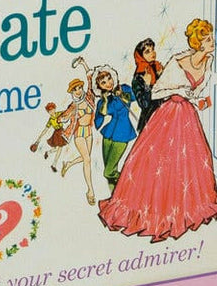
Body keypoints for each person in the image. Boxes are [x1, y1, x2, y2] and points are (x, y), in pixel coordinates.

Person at [98, 19, 217, 242]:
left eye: (210, 38)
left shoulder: (209, 61)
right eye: (207, 39)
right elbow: (158, 92)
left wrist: (198, 100)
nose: (211, 42)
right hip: (168, 114)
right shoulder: (177, 61)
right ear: (198, 43)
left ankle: (187, 208)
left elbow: (195, 92)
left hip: (188, 115)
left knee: (194, 161)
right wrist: (183, 93)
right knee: (159, 165)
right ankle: (157, 214)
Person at [91, 65, 137, 190]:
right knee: (110, 171)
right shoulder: (103, 101)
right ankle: (115, 197)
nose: (108, 83)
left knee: (108, 171)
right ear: (99, 86)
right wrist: (105, 101)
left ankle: (130, 182)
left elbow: (133, 97)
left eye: (109, 78)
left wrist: (121, 94)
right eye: (103, 82)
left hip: (123, 132)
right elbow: (101, 115)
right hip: (108, 133)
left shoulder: (124, 88)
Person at [59, 63, 97, 205]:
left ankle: (69, 163)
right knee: (87, 160)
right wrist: (62, 118)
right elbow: (62, 117)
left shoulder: (89, 97)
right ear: (71, 92)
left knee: (86, 158)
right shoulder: (73, 106)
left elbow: (90, 79)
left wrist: (83, 64)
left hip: (89, 132)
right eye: (75, 89)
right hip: (79, 134)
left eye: (80, 87)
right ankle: (90, 191)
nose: (78, 91)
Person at [131, 38, 164, 132]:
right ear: (140, 56)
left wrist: (161, 76)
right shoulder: (138, 77)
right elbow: (144, 104)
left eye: (153, 49)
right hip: (150, 119)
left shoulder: (157, 68)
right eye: (147, 51)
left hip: (163, 114)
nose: (152, 53)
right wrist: (147, 86)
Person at [29, 102, 68, 172]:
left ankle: (48, 153)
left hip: (62, 131)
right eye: (49, 111)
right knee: (59, 148)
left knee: (57, 148)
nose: (51, 112)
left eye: (52, 109)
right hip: (57, 133)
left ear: (55, 109)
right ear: (48, 112)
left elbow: (67, 112)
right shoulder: (50, 120)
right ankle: (54, 164)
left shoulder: (59, 113)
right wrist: (38, 140)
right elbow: (45, 130)